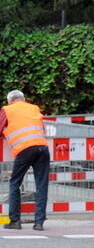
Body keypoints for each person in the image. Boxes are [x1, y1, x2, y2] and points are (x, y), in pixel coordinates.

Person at [0, 90, 50, 230]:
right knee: (41, 185)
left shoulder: (7, 110)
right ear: (23, 99)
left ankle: (15, 221)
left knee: (15, 182)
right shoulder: (34, 108)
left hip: (24, 149)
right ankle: (39, 223)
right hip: (42, 147)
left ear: (10, 101)